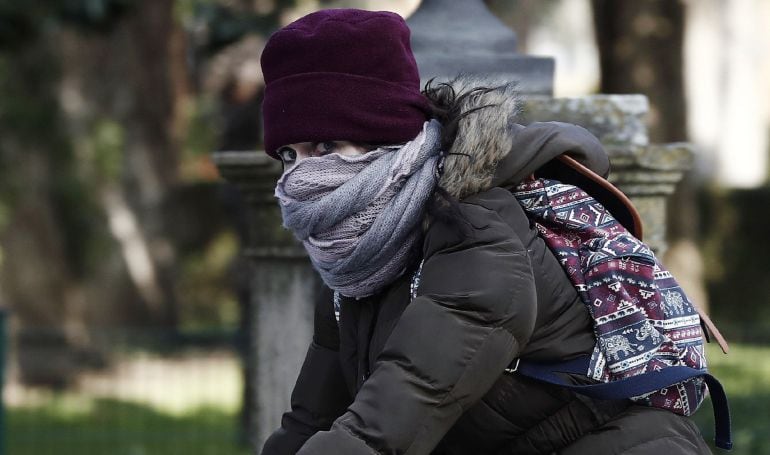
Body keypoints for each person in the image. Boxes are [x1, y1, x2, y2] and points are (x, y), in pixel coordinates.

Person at [259, 8, 712, 455]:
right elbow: (311, 420)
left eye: (325, 145)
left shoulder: (474, 229)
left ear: (383, 135)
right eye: (289, 154)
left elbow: (399, 410)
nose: (304, 174)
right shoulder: (358, 262)